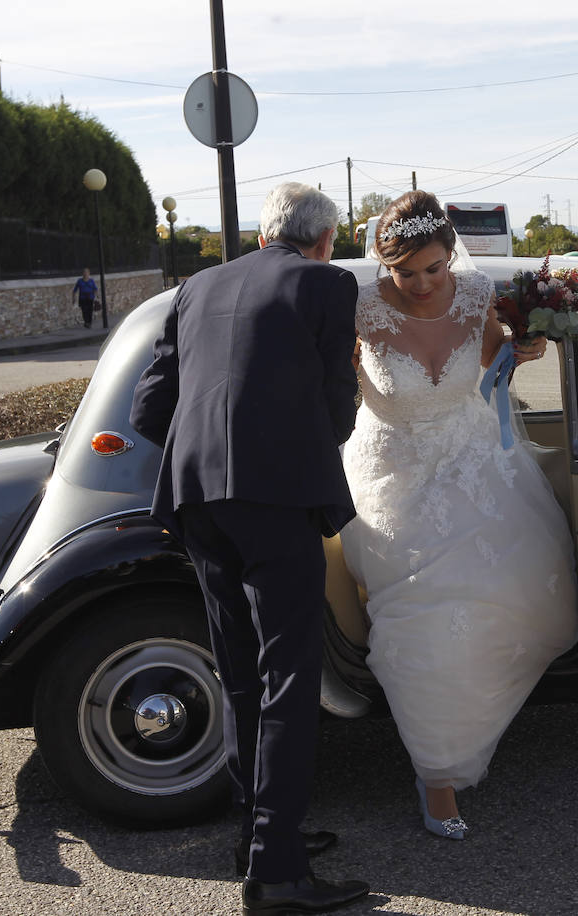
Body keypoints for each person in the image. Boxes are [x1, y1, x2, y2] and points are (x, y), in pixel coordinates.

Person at [129, 182, 369, 914]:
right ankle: (276, 873)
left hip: (197, 500)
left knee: (239, 674)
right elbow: (335, 405)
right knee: (288, 679)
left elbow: (148, 407)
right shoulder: (326, 285)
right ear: (323, 240)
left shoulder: (197, 285)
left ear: (265, 234)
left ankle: (259, 834)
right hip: (276, 498)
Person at [340, 190, 578, 840]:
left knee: (518, 595)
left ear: (451, 255)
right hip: (396, 475)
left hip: (475, 461)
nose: (421, 284)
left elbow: (491, 358)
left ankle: (471, 722)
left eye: (433, 268)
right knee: (424, 619)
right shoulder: (358, 308)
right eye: (405, 272)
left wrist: (520, 350)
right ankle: (437, 778)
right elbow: (327, 383)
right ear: (383, 264)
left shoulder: (476, 294)